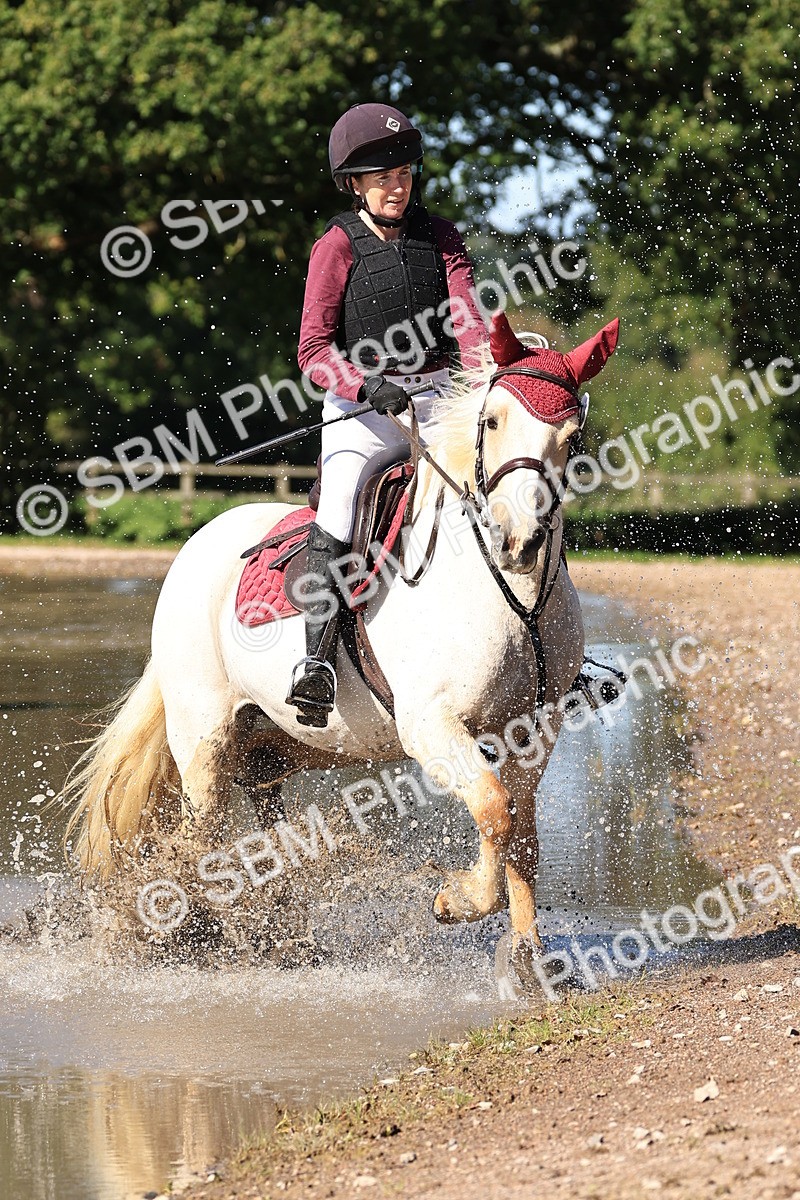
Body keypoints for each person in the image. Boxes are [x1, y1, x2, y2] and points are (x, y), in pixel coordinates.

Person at [287, 102, 486, 727]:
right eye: (381, 177)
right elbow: (312, 349)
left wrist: (486, 378)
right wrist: (365, 384)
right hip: (361, 410)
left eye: (403, 173)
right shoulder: (336, 245)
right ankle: (314, 661)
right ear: (355, 184)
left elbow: (468, 323)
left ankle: (549, 648)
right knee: (342, 505)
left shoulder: (443, 238)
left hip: (439, 403)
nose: (396, 186)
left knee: (507, 486)